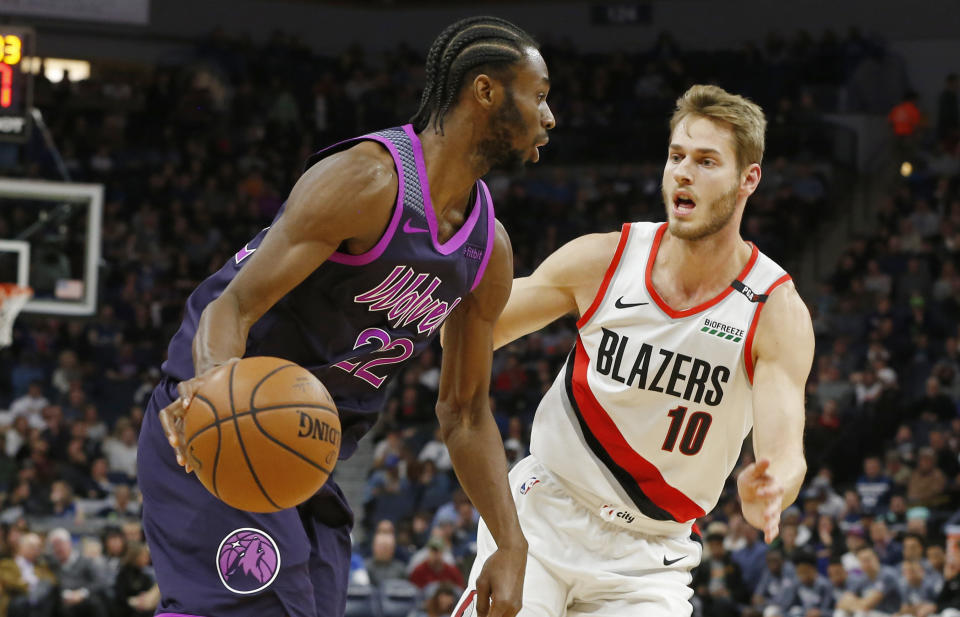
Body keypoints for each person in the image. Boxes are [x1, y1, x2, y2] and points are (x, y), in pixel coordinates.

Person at [139, 15, 554, 617]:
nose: (550, 117)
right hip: (221, 423)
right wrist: (213, 392)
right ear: (486, 91)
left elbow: (464, 413)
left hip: (307, 457)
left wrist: (512, 543)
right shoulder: (367, 182)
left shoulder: (488, 251)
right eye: (539, 96)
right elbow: (232, 305)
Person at [455, 84, 813, 616]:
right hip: (544, 514)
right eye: (676, 157)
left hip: (649, 559)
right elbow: (468, 332)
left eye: (706, 161)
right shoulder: (604, 259)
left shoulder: (772, 307)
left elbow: (785, 451)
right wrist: (434, 273)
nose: (683, 173)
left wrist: (772, 485)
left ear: (748, 179)